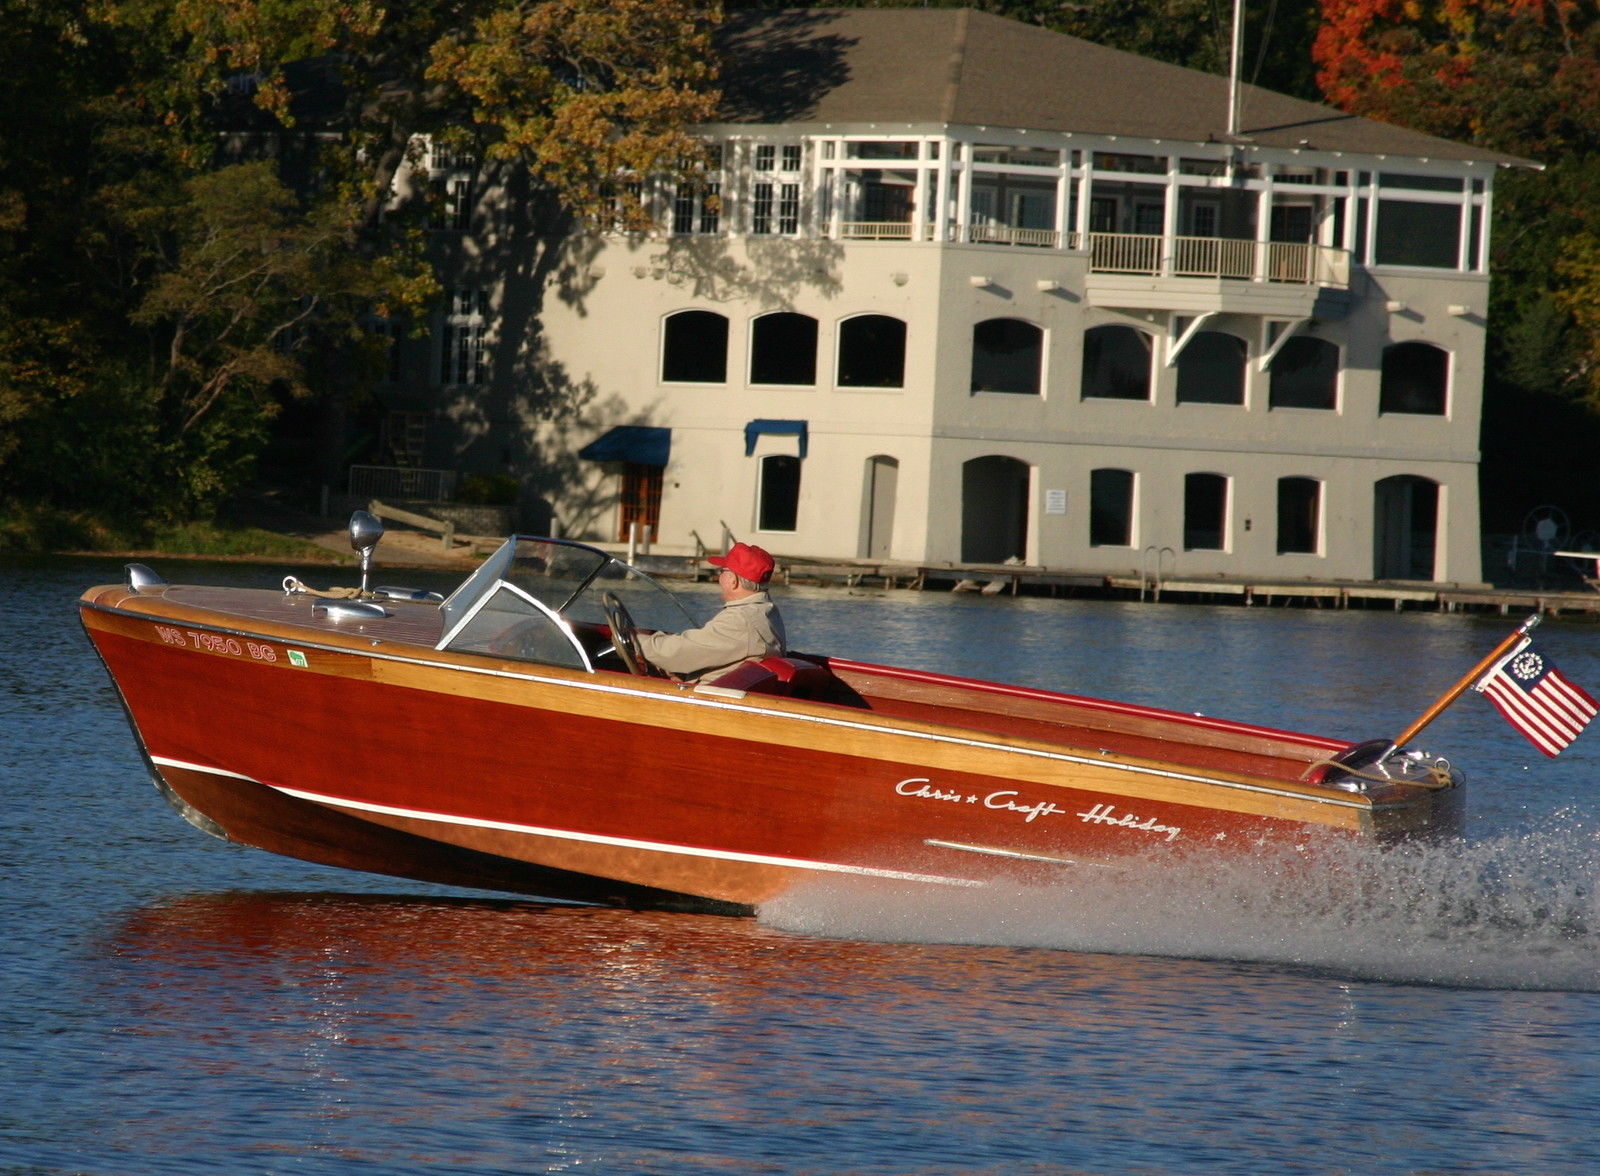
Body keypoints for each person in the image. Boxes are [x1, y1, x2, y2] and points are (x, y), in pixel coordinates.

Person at [636, 542, 786, 681]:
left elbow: (674, 654)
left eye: (722, 571)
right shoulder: (767, 611)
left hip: (702, 701)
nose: (718, 577)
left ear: (734, 581)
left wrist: (632, 641)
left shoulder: (740, 620)